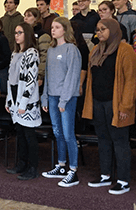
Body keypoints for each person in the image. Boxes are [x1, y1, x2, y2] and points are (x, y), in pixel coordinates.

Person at [83, 19, 136, 195]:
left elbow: (131, 80)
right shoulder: (95, 50)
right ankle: (105, 175)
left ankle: (123, 181)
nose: (99, 32)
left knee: (120, 142)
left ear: (113, 30)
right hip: (99, 102)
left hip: (118, 105)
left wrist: (125, 106)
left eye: (103, 29)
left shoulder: (125, 50)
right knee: (103, 140)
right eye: (97, 30)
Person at [41, 17, 81, 187]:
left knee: (68, 133)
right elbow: (48, 76)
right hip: (52, 96)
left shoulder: (71, 49)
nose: (53, 30)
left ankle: (73, 170)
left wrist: (63, 100)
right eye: (52, 27)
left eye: (57, 27)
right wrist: (45, 97)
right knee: (57, 132)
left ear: (65, 29)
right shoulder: (51, 49)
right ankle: (62, 165)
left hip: (67, 98)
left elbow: (72, 77)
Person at [5, 22, 41, 180]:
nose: (16, 35)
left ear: (27, 34)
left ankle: (32, 167)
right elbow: (10, 78)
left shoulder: (32, 53)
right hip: (14, 96)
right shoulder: (15, 53)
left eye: (20, 32)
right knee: (19, 133)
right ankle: (21, 163)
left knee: (29, 134)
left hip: (26, 99)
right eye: (15, 32)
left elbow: (31, 80)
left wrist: (24, 102)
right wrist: (9, 100)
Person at [23, 8, 51, 89]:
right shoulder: (24, 34)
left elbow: (44, 57)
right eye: (25, 16)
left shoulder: (43, 35)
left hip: (35, 72)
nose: (25, 18)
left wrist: (40, 75)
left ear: (36, 18)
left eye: (29, 16)